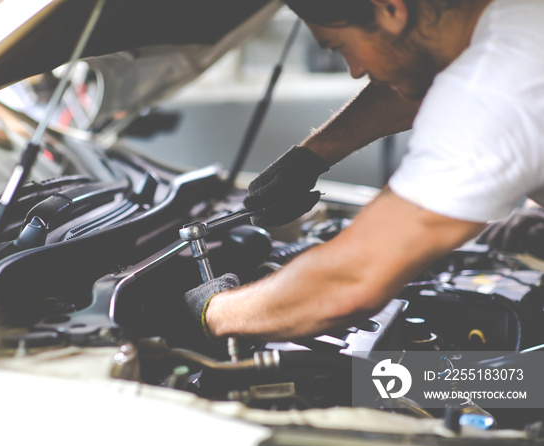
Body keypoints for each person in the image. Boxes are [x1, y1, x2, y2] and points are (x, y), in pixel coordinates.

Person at [185, 0, 544, 342]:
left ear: (390, 8)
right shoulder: (509, 23)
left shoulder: (495, 88)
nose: (354, 69)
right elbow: (426, 79)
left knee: (496, 390)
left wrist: (216, 311)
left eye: (340, 46)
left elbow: (353, 282)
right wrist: (313, 155)